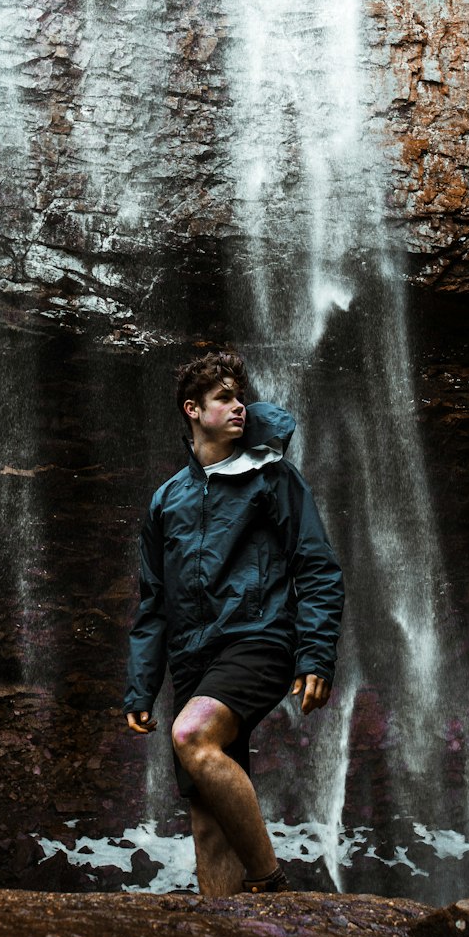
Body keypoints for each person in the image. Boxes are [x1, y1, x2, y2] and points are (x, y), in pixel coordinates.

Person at [124, 350, 344, 896]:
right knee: (205, 811)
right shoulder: (166, 500)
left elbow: (315, 565)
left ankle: (269, 882)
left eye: (240, 396)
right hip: (194, 659)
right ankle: (228, 929)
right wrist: (141, 686)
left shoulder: (272, 477)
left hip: (259, 639)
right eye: (224, 397)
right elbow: (152, 601)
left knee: (192, 734)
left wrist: (315, 652)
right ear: (193, 409)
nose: (238, 405)